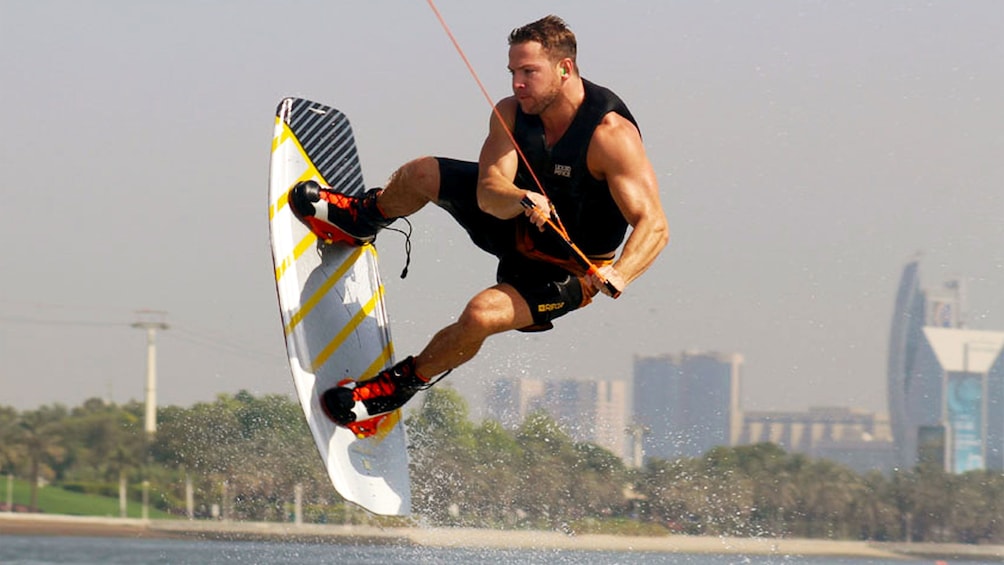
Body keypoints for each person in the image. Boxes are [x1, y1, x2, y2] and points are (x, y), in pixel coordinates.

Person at [289, 15, 669, 429]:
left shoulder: (609, 136)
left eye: (529, 72)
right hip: (515, 222)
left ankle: (397, 386)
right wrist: (520, 198)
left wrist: (621, 273)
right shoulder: (511, 113)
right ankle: (360, 219)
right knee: (422, 172)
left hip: (569, 269)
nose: (517, 84)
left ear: (565, 69)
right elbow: (490, 192)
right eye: (512, 72)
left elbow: (653, 223)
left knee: (480, 316)